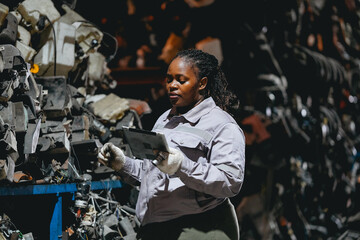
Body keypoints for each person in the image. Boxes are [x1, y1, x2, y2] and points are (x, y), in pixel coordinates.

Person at [98, 49, 245, 240]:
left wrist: (181, 166)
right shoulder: (165, 120)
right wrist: (122, 164)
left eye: (181, 80)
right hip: (159, 228)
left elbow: (230, 181)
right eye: (169, 79)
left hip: (201, 228)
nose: (172, 86)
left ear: (202, 83)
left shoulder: (221, 125)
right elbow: (152, 174)